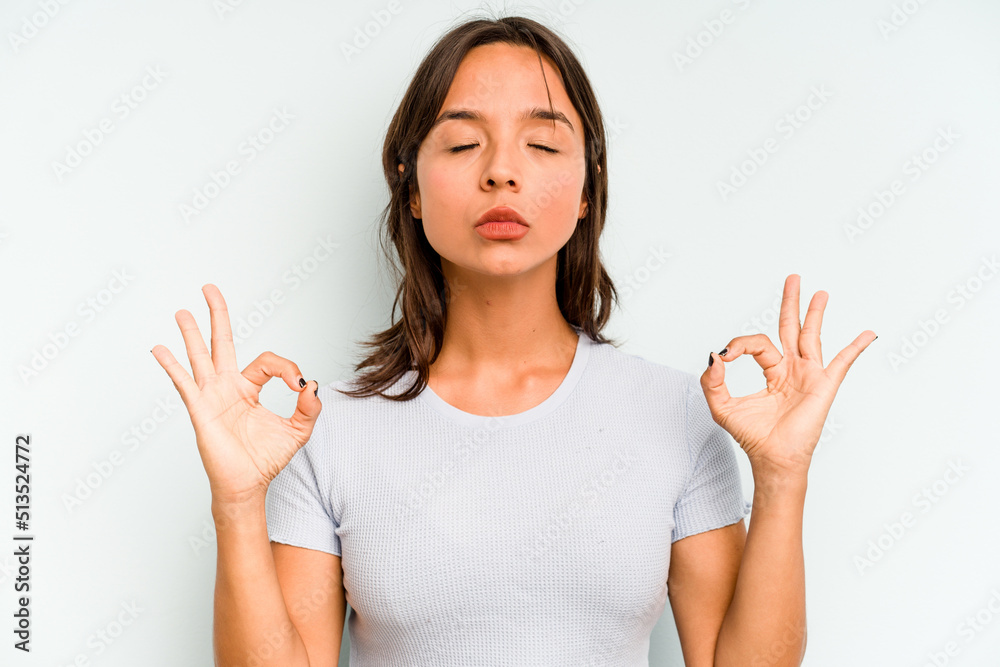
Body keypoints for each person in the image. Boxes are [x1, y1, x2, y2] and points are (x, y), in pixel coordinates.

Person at [151, 13, 876, 667]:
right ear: (410, 186)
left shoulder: (678, 413)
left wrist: (782, 477)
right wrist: (238, 502)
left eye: (542, 143)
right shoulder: (326, 431)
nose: (501, 170)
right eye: (464, 142)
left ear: (588, 186)